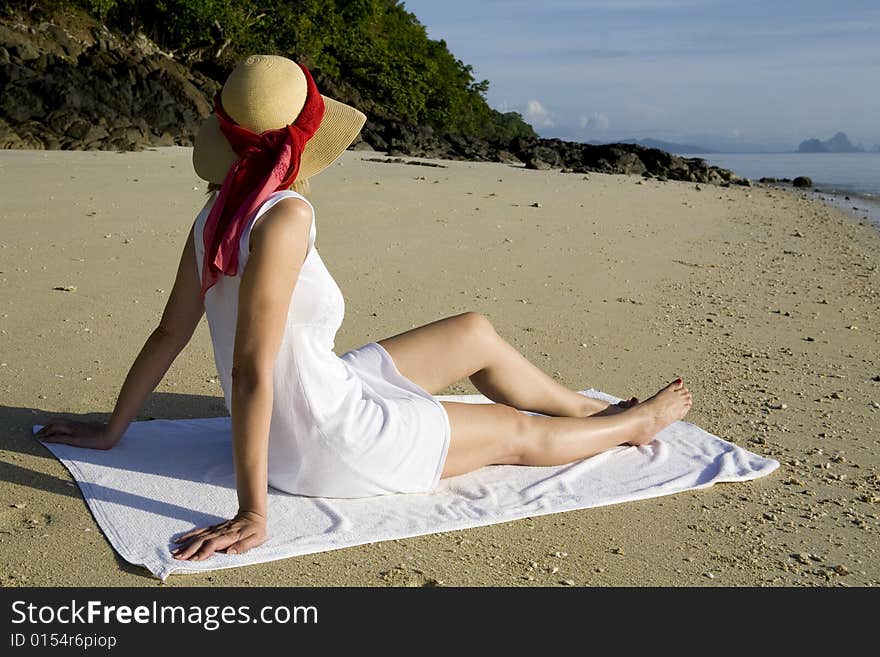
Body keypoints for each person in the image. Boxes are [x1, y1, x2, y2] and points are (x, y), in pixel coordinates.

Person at [34, 55, 692, 562]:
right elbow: (251, 368)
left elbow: (169, 332)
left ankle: (589, 408)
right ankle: (632, 426)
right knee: (510, 430)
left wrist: (113, 431)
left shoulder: (214, 213)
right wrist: (252, 509)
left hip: (315, 396)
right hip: (325, 439)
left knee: (473, 332)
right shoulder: (285, 216)